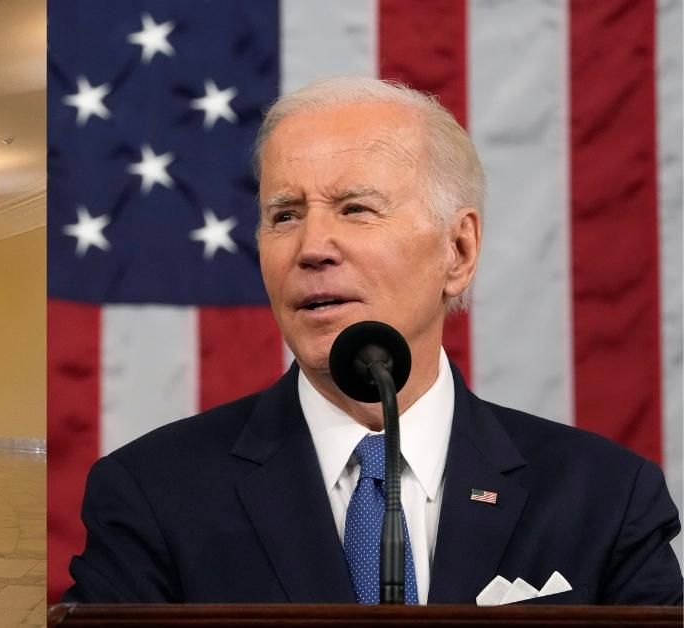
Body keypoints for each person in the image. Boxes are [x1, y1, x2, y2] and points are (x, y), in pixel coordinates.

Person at [64, 77, 683, 605]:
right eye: (284, 215)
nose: (311, 248)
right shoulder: (151, 494)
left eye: (356, 209)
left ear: (458, 250)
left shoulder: (605, 497)